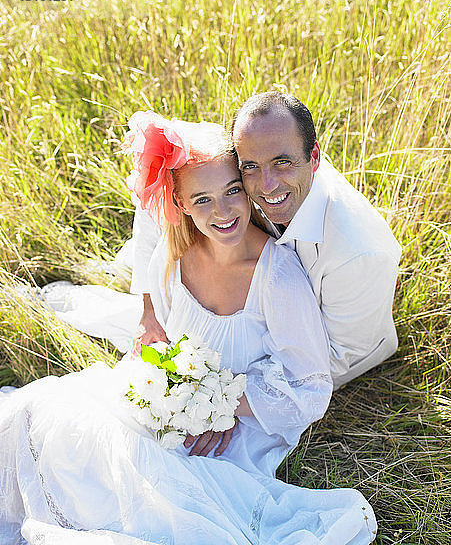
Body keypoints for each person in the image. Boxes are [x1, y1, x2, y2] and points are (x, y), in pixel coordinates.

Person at [0, 112, 377, 544]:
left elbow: (309, 386)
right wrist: (168, 384)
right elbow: (166, 335)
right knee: (46, 425)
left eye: (233, 190)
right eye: (202, 200)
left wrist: (219, 405)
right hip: (167, 400)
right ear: (179, 205)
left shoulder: (276, 275)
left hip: (234, 426)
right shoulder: (177, 251)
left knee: (151, 494)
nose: (222, 212)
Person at [133, 92, 402, 389]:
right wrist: (150, 310)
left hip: (322, 360)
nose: (267, 184)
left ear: (314, 157)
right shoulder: (245, 164)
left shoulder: (360, 254)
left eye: (282, 163)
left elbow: (333, 359)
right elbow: (157, 190)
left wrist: (215, 394)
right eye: (250, 167)